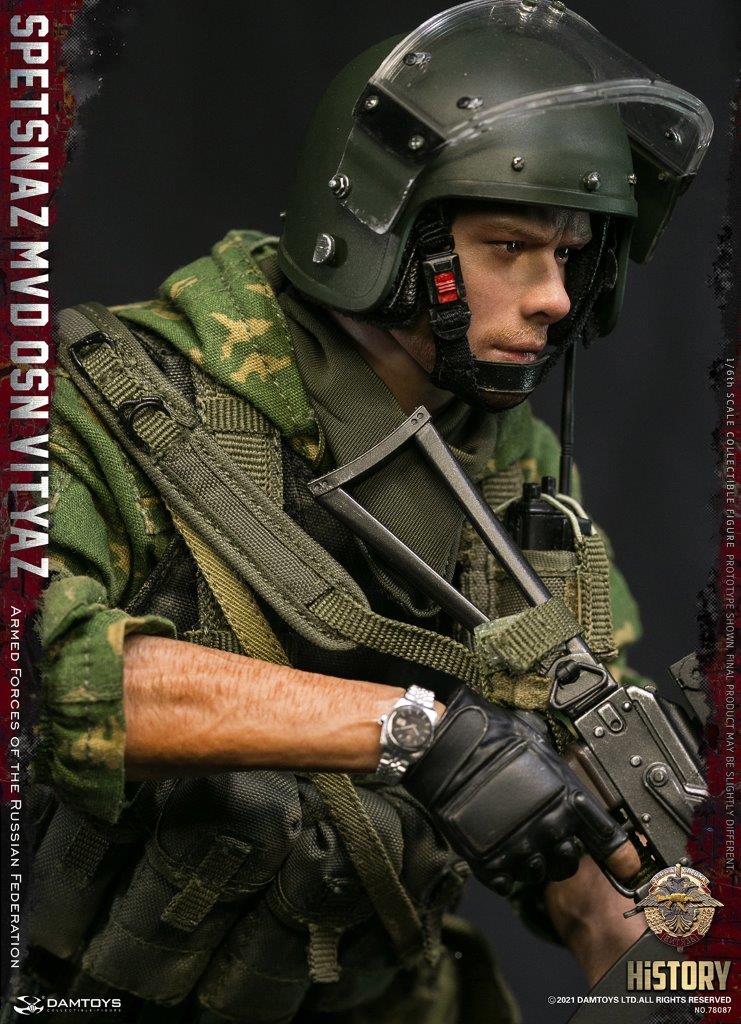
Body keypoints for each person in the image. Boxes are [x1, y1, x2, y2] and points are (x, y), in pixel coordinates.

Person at [14, 3, 712, 1023]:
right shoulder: (113, 403)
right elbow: (50, 678)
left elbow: (587, 858)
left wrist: (672, 959)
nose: (554, 296)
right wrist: (416, 732)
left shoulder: (512, 473)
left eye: (572, 256)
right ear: (384, 233)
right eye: (510, 246)